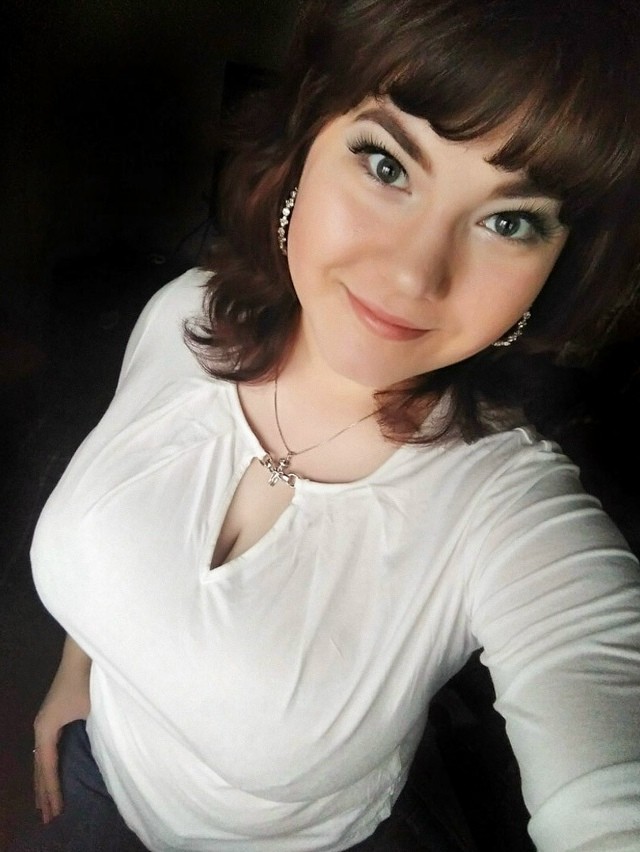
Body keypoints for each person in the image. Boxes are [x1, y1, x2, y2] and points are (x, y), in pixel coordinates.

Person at [12, 0, 640, 850]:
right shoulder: (183, 314)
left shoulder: (509, 513)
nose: (414, 274)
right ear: (305, 142)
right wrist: (76, 671)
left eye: (509, 221)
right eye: (386, 164)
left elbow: (605, 774)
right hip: (96, 770)